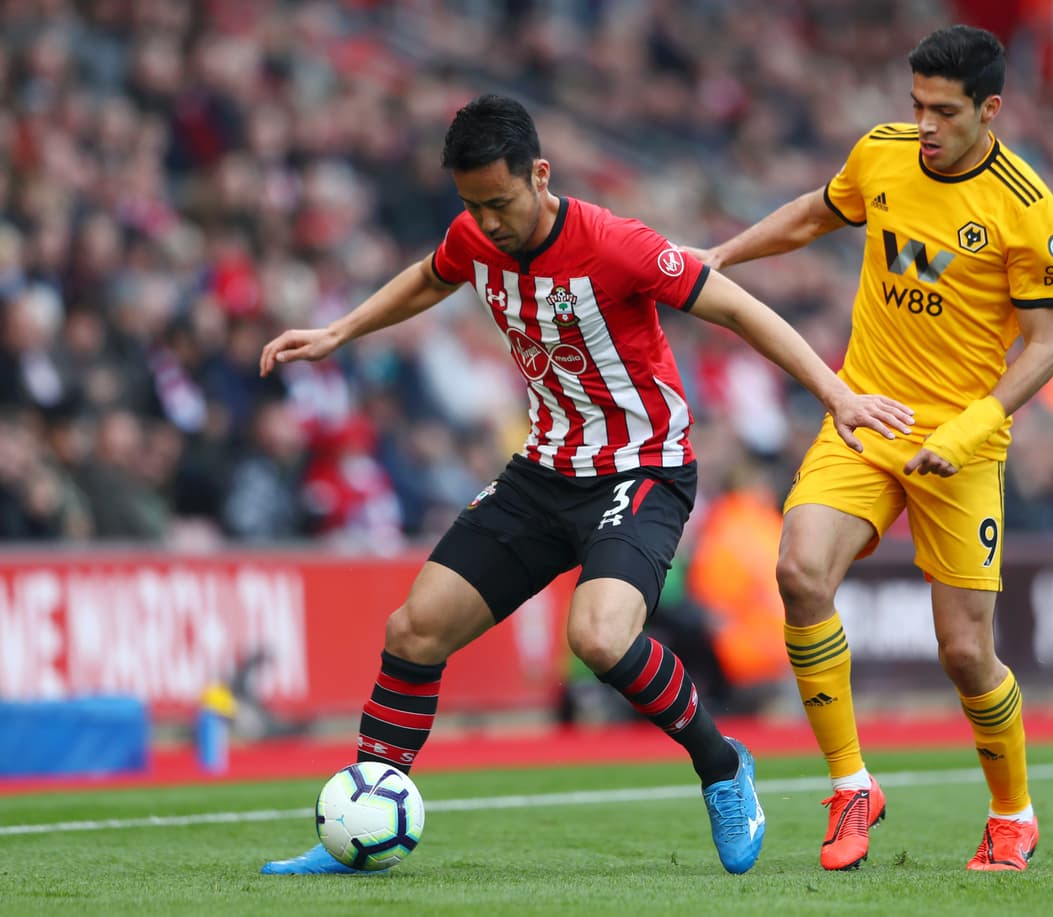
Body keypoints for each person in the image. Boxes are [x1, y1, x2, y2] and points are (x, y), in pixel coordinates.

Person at [257, 94, 913, 876]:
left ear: (540, 174)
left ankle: (723, 766)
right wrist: (340, 331)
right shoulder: (474, 233)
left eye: (500, 202)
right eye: (473, 205)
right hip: (543, 472)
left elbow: (737, 307)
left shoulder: (617, 245)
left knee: (599, 636)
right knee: (413, 631)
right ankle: (363, 820)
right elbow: (436, 274)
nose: (489, 222)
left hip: (643, 467)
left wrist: (835, 392)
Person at [689, 25, 1053, 872]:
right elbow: (813, 214)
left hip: (961, 443)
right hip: (863, 416)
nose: (925, 125)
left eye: (943, 111)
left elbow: (1046, 345)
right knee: (797, 572)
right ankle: (850, 784)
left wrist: (971, 429)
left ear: (989, 111)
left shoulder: (1025, 203)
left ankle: (1013, 812)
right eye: (916, 106)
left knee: (966, 653)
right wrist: (722, 253)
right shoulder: (883, 153)